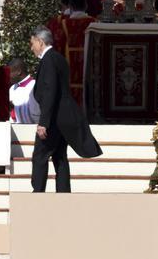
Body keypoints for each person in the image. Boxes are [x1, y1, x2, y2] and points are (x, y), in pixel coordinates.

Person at [30, 27, 103, 193]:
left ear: (40, 42)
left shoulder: (48, 60)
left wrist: (43, 122)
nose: (31, 47)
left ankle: (37, 193)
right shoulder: (58, 58)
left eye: (32, 43)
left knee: (40, 155)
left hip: (54, 118)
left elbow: (50, 91)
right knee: (59, 156)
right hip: (64, 118)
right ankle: (63, 193)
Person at [8, 58, 40, 125]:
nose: (8, 75)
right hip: (16, 130)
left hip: (35, 130)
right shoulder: (12, 88)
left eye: (10, 72)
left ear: (19, 71)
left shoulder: (34, 86)